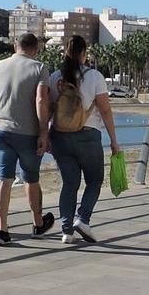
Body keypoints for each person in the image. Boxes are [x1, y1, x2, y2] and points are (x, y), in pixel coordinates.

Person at [0, 33, 56, 246]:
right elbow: (41, 99)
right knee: (31, 179)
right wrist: (43, 132)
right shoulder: (39, 68)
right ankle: (38, 224)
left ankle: (2, 230)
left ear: (15, 46)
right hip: (28, 133)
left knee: (4, 180)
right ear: (36, 49)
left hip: (1, 131)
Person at [44, 33, 122, 246]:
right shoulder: (94, 76)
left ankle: (66, 231)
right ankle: (83, 219)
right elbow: (105, 110)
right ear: (83, 53)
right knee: (94, 180)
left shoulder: (55, 77)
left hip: (60, 136)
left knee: (69, 183)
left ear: (66, 52)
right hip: (88, 135)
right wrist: (114, 140)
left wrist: (45, 136)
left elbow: (48, 109)